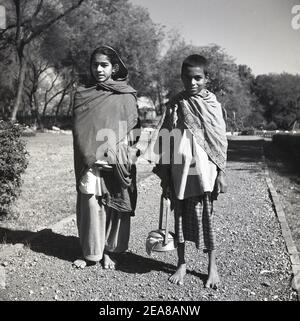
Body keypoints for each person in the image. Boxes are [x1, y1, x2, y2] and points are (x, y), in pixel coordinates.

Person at [152, 54, 228, 288]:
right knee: (180, 220)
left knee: (207, 220)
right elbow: (165, 139)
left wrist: (221, 172)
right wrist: (165, 174)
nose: (192, 83)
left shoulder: (213, 105)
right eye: (188, 78)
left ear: (207, 78)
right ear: (181, 77)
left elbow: (219, 141)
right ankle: (182, 263)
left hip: (204, 173)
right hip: (180, 171)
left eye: (198, 78)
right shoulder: (175, 103)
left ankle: (212, 266)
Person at [72, 45, 140, 269]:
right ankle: (90, 252)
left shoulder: (125, 95)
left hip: (115, 159)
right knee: (90, 204)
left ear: (114, 67)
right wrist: (90, 154)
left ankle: (110, 251)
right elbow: (80, 131)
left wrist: (121, 155)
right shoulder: (82, 94)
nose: (99, 69)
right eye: (95, 65)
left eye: (104, 65)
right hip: (90, 160)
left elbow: (132, 130)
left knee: (113, 205)